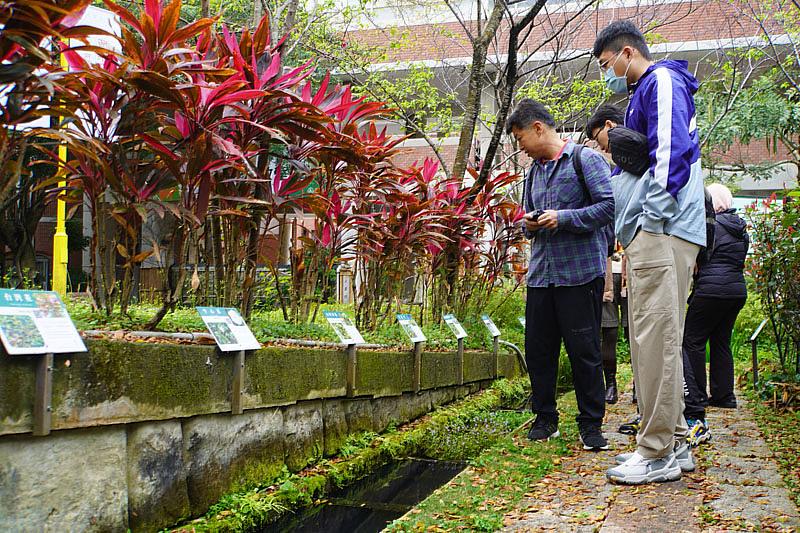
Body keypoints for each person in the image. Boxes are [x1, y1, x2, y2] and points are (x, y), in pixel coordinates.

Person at [593, 21, 707, 484]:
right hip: (663, 230)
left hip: (662, 229)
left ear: (625, 52)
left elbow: (671, 152)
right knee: (655, 338)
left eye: (606, 65)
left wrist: (652, 218)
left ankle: (656, 450)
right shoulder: (649, 90)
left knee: (653, 340)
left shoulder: (659, 80)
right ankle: (675, 441)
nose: (607, 74)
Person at [507, 98, 614, 451]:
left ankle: (590, 424)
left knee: (584, 350)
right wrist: (530, 224)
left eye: (521, 138)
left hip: (580, 274)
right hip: (541, 276)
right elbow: (528, 224)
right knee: (538, 350)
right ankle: (545, 419)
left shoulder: (587, 160)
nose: (520, 147)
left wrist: (563, 217)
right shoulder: (532, 173)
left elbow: (607, 206)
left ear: (539, 128)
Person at [682, 183, 750, 446]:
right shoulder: (740, 227)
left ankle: (696, 396)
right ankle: (724, 396)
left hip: (709, 290)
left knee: (692, 342)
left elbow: (700, 255)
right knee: (722, 342)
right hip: (736, 291)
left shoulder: (713, 225)